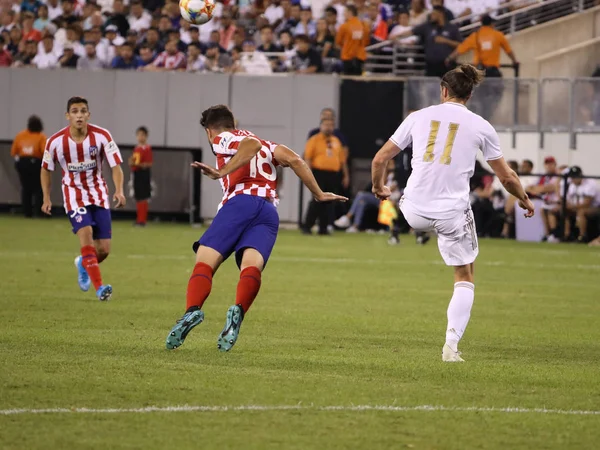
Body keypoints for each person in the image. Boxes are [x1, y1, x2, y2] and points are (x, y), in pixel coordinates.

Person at [370, 64, 534, 362]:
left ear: (443, 90)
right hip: (450, 213)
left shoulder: (417, 117)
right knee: (465, 274)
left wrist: (379, 188)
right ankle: (450, 346)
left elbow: (381, 158)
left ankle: (400, 229)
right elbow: (507, 177)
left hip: (414, 210)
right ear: (470, 94)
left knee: (407, 202)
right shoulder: (481, 125)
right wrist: (523, 198)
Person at [165, 105, 347, 352]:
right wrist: (319, 193)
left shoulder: (224, 138)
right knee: (251, 267)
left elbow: (251, 146)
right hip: (268, 212)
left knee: (205, 263)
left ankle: (191, 311)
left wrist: (222, 172)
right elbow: (294, 159)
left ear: (209, 132)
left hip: (240, 203)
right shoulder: (269, 143)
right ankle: (238, 310)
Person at [41, 96, 126, 302]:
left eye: (83, 111)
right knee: (86, 234)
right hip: (73, 197)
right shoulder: (55, 142)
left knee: (104, 250)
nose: (79, 115)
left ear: (88, 114)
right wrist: (46, 198)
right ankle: (100, 289)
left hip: (98, 195)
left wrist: (119, 190)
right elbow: (45, 169)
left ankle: (83, 263)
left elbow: (116, 166)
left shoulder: (102, 136)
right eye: (75, 111)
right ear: (67, 115)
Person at [446, 14, 519, 120]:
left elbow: (460, 49)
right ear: (492, 24)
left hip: (478, 72)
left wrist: (449, 58)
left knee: (479, 97)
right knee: (496, 94)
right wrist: (515, 61)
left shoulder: (475, 36)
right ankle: (488, 116)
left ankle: (479, 116)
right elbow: (509, 51)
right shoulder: (498, 35)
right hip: (493, 73)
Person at [302, 117, 349, 235]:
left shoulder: (336, 141)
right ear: (321, 126)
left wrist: (345, 175)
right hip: (318, 173)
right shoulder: (314, 140)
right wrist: (308, 173)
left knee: (330, 201)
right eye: (326, 125)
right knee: (317, 200)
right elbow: (307, 158)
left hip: (333, 174)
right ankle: (307, 226)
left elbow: (342, 160)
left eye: (331, 125)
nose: (328, 127)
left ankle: (323, 228)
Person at [11, 115, 47, 218]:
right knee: (39, 188)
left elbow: (14, 152)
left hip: (22, 163)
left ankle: (27, 213)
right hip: (35, 163)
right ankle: (39, 212)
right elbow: (44, 151)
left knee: (26, 188)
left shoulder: (20, 135)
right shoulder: (41, 137)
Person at [128, 126, 153, 227]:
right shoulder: (136, 148)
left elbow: (149, 163)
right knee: (138, 196)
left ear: (146, 136)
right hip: (136, 173)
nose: (140, 137)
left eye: (142, 135)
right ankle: (139, 219)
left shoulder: (147, 148)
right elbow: (134, 161)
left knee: (143, 197)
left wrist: (139, 165)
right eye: (138, 135)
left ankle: (143, 220)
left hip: (144, 173)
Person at [335, 4, 369, 76]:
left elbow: (338, 41)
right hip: (359, 57)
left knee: (348, 80)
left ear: (350, 12)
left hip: (347, 56)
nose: (344, 14)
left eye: (345, 12)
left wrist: (346, 46)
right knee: (358, 80)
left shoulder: (344, 26)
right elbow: (366, 41)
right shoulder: (364, 25)